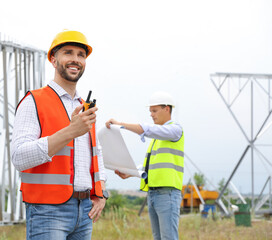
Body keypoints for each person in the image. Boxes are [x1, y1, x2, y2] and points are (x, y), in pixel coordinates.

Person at [11, 30, 108, 240]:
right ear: (53, 60)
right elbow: (19, 157)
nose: (75, 59)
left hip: (84, 212)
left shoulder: (84, 108)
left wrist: (101, 193)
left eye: (81, 55)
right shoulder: (33, 101)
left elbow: (95, 154)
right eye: (68, 53)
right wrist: (69, 132)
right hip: (47, 211)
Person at [105, 91, 184, 240]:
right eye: (150, 111)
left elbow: (148, 129)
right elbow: (151, 166)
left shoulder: (174, 130)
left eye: (154, 111)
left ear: (167, 109)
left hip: (167, 194)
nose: (151, 115)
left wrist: (121, 125)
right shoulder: (157, 139)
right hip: (153, 194)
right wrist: (131, 172)